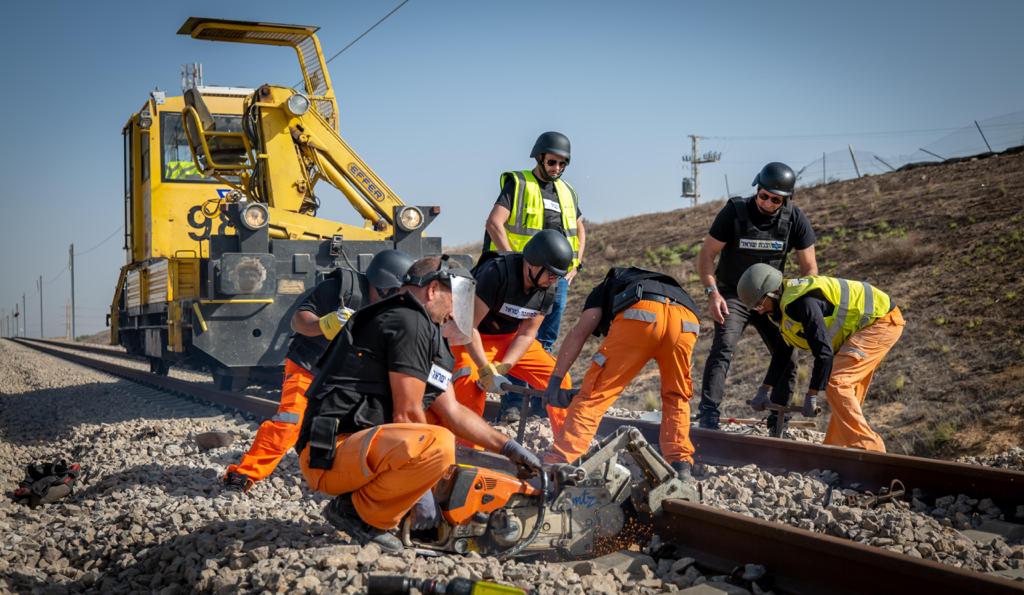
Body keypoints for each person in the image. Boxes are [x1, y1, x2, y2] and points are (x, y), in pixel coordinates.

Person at [295, 256, 543, 553]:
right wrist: (421, 491)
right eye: (456, 298)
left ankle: (385, 510)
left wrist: (509, 449)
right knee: (437, 444)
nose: (456, 310)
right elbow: (407, 412)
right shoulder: (407, 321)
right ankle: (358, 512)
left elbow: (452, 411)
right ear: (432, 290)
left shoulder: (426, 330)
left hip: (359, 449)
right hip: (331, 453)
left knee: (442, 443)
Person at [223, 249, 415, 492]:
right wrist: (326, 323)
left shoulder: (393, 308)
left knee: (359, 428)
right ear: (383, 284)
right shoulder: (341, 289)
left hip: (346, 375)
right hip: (308, 367)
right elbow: (298, 320)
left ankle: (352, 481)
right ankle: (244, 474)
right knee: (289, 423)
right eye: (397, 290)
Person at [540, 267, 701, 478]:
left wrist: (555, 381)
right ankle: (681, 465)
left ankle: (560, 463)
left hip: (642, 312)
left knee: (596, 394)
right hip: (686, 320)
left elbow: (579, 333)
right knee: (676, 396)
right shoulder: (651, 281)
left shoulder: (604, 287)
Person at [695, 162, 818, 432]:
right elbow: (706, 256)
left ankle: (778, 421)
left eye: (776, 199)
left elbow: (810, 270)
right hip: (732, 294)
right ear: (757, 188)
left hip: (770, 298)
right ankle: (708, 416)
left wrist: (796, 303)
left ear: (785, 200)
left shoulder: (794, 218)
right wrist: (712, 294)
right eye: (764, 195)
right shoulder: (735, 212)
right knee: (724, 347)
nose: (768, 202)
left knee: (787, 351)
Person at [737, 263, 905, 452]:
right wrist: (764, 389)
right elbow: (782, 354)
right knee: (845, 392)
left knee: (837, 382)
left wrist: (812, 395)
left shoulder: (802, 303)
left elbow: (823, 354)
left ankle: (871, 449)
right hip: (868, 325)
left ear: (773, 292)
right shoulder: (784, 309)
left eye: (759, 304)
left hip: (881, 321)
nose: (759, 310)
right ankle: (838, 447)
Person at [484, 132, 586, 419]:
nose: (557, 168)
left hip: (556, 280)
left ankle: (542, 405)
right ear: (539, 157)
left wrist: (576, 265)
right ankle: (514, 405)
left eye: (563, 164)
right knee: (516, 337)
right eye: (552, 162)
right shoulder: (518, 183)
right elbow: (494, 223)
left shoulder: (567, 192)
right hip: (521, 279)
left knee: (545, 341)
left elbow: (579, 228)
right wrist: (513, 262)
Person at [450, 230, 575, 439]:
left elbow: (527, 334)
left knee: (558, 378)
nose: (554, 280)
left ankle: (565, 447)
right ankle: (469, 454)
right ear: (533, 264)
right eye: (551, 274)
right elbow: (468, 326)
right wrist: (484, 369)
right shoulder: (497, 273)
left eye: (558, 276)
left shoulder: (547, 290)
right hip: (470, 337)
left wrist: (504, 366)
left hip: (509, 339)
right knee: (468, 381)